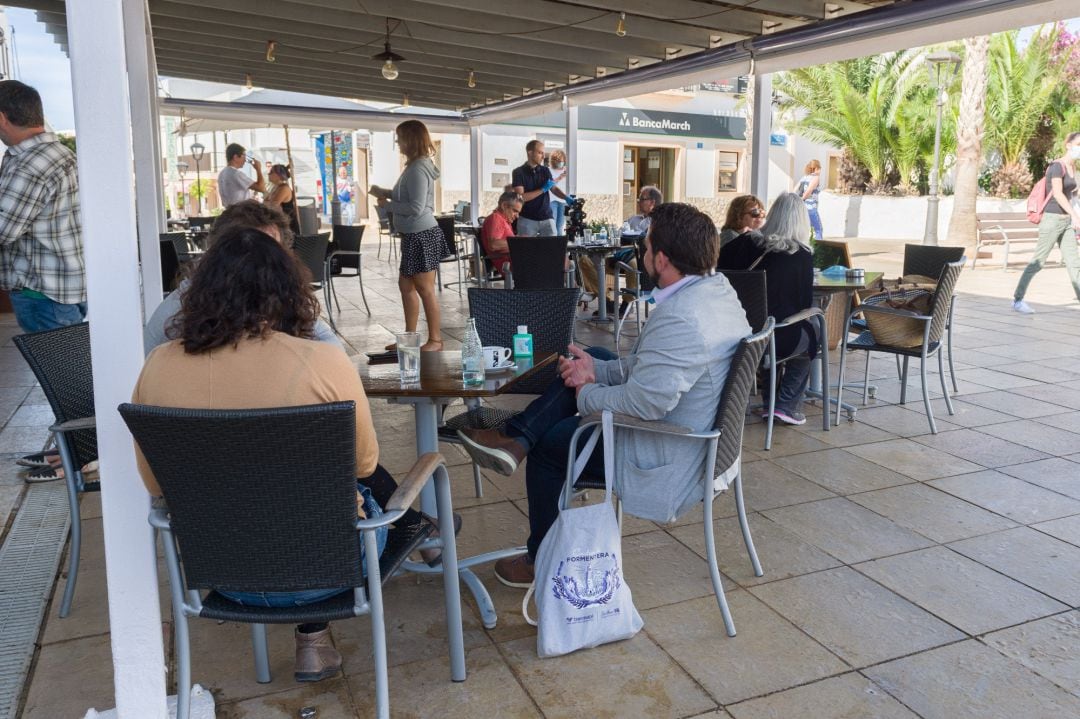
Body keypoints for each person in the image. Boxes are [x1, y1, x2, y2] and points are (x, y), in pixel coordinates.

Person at [133, 224, 438, 683]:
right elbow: (365, 465)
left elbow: (156, 485)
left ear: (200, 292)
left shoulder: (158, 368)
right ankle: (317, 638)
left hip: (220, 576)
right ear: (288, 290)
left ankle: (310, 642)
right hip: (332, 570)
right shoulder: (322, 362)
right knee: (362, 499)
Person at [457, 203, 750, 587]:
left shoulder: (683, 318)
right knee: (593, 357)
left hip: (669, 453)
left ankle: (539, 558)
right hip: (700, 437)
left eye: (645, 247)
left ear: (661, 259)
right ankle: (517, 436)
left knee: (550, 447)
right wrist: (597, 372)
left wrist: (586, 393)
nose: (641, 254)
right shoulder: (716, 292)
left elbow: (647, 404)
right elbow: (655, 368)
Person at [144, 200, 341, 354]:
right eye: (246, 253)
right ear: (219, 254)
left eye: (270, 254)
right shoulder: (179, 309)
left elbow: (332, 347)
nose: (261, 265)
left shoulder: (286, 299)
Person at [717, 192, 815, 426]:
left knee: (778, 328)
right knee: (811, 333)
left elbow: (720, 275)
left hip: (733, 332)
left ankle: (770, 402)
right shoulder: (800, 255)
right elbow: (804, 304)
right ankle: (785, 405)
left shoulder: (743, 243)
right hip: (773, 338)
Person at [0, 80, 87, 333]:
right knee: (65, 367)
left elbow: (3, 228)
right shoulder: (60, 154)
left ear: (2, 118)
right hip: (63, 286)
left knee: (61, 371)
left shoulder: (30, 164)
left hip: (42, 292)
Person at [372, 120, 444, 352]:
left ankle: (435, 340)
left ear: (410, 140)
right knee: (406, 286)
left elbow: (415, 206)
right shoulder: (414, 166)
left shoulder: (418, 168)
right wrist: (385, 192)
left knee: (425, 289)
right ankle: (410, 337)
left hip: (422, 234)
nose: (397, 142)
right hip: (414, 234)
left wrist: (388, 205)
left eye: (400, 138)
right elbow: (408, 195)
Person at [1012, 131, 1080, 314]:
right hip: (1052, 219)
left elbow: (1072, 194)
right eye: (1078, 145)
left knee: (1074, 263)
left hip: (1066, 221)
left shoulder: (1073, 168)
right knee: (1038, 261)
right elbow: (1057, 193)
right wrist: (1075, 215)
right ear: (1068, 145)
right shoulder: (1057, 166)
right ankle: (1018, 300)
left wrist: (1074, 213)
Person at [578, 185, 661, 317]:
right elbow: (619, 232)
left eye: (642, 199)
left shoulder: (658, 222)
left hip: (638, 256)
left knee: (633, 265)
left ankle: (627, 304)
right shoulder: (634, 219)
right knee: (585, 260)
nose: (638, 201)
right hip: (618, 252)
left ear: (652, 202)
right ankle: (605, 301)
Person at [512, 140, 570, 236]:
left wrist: (566, 197)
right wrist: (542, 189)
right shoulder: (518, 172)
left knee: (552, 248)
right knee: (526, 249)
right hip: (527, 218)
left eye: (543, 153)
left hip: (546, 216)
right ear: (530, 153)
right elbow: (521, 198)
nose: (543, 156)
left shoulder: (545, 170)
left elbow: (553, 188)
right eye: (540, 153)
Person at [480, 191, 522, 277]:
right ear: (504, 206)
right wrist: (522, 242)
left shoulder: (504, 220)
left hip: (516, 261)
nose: (517, 216)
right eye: (515, 211)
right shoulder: (496, 218)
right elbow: (494, 245)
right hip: (510, 265)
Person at [217, 143, 265, 207]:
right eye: (244, 156)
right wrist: (258, 169)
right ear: (235, 157)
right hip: (240, 212)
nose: (245, 160)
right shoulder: (236, 174)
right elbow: (261, 188)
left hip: (229, 210)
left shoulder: (222, 173)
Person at [265, 163, 301, 237]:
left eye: (271, 172)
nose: (268, 174)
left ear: (279, 175)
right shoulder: (275, 187)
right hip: (281, 224)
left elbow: (272, 206)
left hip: (288, 226)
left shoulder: (284, 188)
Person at [796, 159, 823, 241]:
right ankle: (818, 249)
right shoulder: (815, 178)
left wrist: (798, 201)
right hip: (811, 207)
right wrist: (803, 199)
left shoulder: (804, 177)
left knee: (804, 229)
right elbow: (809, 191)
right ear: (816, 168)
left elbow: (795, 190)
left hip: (801, 208)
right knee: (818, 229)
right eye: (820, 168)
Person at [548, 149, 568, 236]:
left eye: (562, 161)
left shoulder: (566, 170)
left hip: (563, 201)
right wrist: (559, 177)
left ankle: (559, 246)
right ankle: (552, 245)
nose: (561, 163)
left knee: (560, 225)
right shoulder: (548, 170)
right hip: (552, 200)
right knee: (553, 225)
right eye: (559, 161)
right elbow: (549, 184)